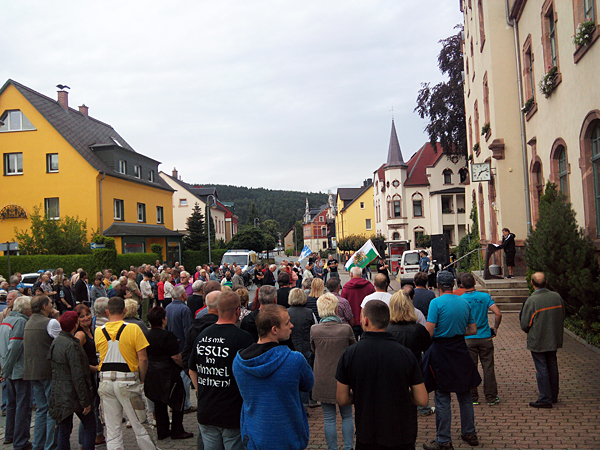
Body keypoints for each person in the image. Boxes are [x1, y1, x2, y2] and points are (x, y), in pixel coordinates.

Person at [336, 300, 428, 449]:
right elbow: (422, 399)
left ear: (366, 320)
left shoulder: (349, 354)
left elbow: (342, 398)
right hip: (401, 434)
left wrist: (362, 394)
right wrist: (402, 393)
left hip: (367, 433)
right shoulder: (406, 354)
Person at [233, 304, 314, 450]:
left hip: (254, 434)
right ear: (274, 330)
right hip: (288, 435)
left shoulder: (239, 362)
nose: (291, 325)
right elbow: (308, 384)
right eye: (287, 322)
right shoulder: (294, 360)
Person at [422, 271, 480, 450]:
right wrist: (457, 331)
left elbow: (429, 331)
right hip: (460, 349)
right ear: (453, 284)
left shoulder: (436, 303)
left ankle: (444, 440)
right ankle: (469, 432)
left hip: (442, 351)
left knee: (442, 396)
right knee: (465, 394)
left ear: (439, 285)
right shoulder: (464, 301)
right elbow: (473, 330)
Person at [189, 291, 254, 449]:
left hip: (206, 410)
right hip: (231, 411)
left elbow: (192, 369)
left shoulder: (202, 336)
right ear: (238, 310)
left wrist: (200, 390)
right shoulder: (243, 338)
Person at [94, 297, 158, 450]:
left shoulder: (98, 331)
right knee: (141, 426)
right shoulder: (133, 329)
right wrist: (141, 379)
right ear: (124, 310)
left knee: (112, 429)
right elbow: (142, 358)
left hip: (106, 382)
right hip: (128, 380)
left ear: (107, 312)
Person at [311, 293, 355, 450]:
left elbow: (314, 350)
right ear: (336, 309)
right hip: (343, 378)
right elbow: (352, 351)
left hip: (322, 376)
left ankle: (332, 448)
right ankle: (348, 447)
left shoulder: (314, 330)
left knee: (329, 418)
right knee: (347, 415)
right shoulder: (346, 329)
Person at [48, 311, 96, 450]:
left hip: (59, 392)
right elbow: (78, 374)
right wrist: (85, 401)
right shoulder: (72, 345)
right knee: (90, 425)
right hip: (73, 393)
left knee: (64, 429)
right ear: (75, 325)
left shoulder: (56, 341)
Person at [144, 307, 193, 440]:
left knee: (159, 403)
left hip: (152, 373)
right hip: (168, 372)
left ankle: (162, 430)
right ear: (162, 320)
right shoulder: (168, 336)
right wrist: (184, 365)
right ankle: (177, 430)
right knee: (178, 401)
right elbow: (176, 357)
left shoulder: (147, 335)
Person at [520, 272, 565, 408]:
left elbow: (525, 323)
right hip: (553, 338)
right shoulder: (556, 297)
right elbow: (562, 315)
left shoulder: (532, 301)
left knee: (542, 368)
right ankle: (553, 395)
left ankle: (545, 398)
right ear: (546, 282)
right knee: (552, 365)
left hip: (538, 339)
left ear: (532, 283)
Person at [387, 290, 434, 417]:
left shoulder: (386, 329)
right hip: (414, 370)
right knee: (411, 411)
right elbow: (427, 347)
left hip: (391, 372)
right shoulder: (418, 329)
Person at [23, 295, 61, 450]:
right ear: (45, 306)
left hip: (32, 370)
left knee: (41, 409)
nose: (52, 305)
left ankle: (38, 444)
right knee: (51, 410)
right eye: (50, 303)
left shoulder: (29, 322)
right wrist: (57, 317)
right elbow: (61, 343)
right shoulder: (50, 322)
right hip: (47, 371)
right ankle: (50, 445)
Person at [462, 273, 502, 406]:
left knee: (470, 367)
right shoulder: (484, 296)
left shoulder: (461, 300)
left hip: (469, 338)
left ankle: (473, 397)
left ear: (461, 285)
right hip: (485, 336)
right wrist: (495, 328)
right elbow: (498, 313)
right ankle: (491, 397)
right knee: (488, 367)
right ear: (474, 282)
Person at [0, 296, 33, 449]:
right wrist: (5, 371)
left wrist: (4, 369)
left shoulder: (6, 321)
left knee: (12, 405)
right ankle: (20, 441)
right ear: (26, 309)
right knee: (22, 407)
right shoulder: (21, 322)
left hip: (9, 370)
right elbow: (15, 347)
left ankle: (9, 435)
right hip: (18, 371)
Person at [74, 304, 105, 446]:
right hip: (89, 375)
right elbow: (76, 360)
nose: (86, 318)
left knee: (96, 407)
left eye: (87, 314)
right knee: (88, 412)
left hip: (96, 373)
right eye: (82, 316)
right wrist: (94, 368)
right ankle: (83, 443)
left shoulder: (92, 330)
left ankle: (97, 436)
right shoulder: (80, 335)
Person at [165, 285, 194, 414]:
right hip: (182, 346)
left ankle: (174, 402)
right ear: (183, 295)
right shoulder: (184, 309)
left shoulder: (168, 308)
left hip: (171, 346)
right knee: (185, 377)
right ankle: (186, 403)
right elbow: (187, 330)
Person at [340, 267, 375, 340]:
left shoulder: (346, 287)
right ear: (361, 274)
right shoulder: (369, 286)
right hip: (366, 320)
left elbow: (342, 304)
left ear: (351, 274)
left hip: (352, 321)